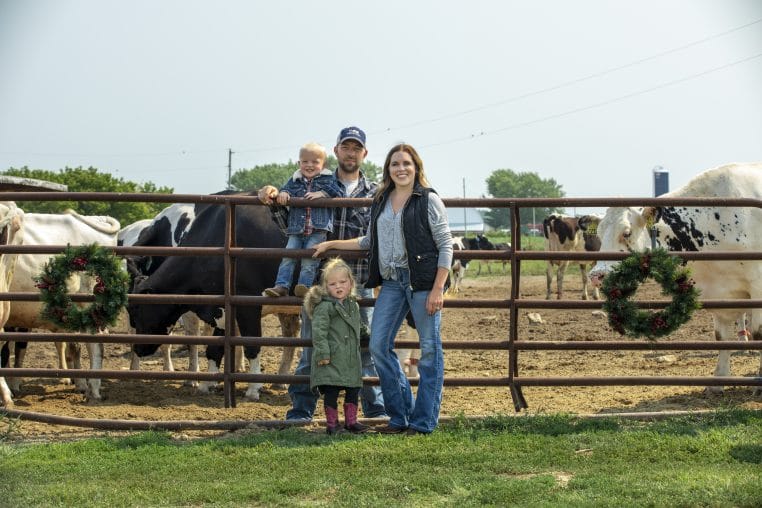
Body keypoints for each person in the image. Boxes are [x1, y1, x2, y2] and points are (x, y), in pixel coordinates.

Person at [312, 143, 453, 435]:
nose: (401, 169)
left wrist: (438, 289)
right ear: (388, 169)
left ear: (416, 167)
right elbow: (368, 241)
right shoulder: (382, 199)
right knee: (378, 345)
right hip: (391, 282)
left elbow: (445, 244)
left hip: (422, 283)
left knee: (429, 351)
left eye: (406, 163)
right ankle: (400, 416)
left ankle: (423, 422)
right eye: (394, 164)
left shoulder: (428, 199)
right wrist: (331, 244)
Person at [258, 126, 387, 421]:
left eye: (356, 148)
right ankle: (301, 408)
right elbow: (289, 225)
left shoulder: (375, 193)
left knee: (363, 346)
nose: (351, 153)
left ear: (364, 154)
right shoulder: (310, 184)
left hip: (358, 281)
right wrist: (272, 197)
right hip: (319, 284)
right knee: (311, 346)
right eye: (346, 147)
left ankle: (374, 406)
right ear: (336, 152)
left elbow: (375, 236)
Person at [262, 142, 343, 298]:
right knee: (288, 257)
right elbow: (285, 189)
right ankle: (281, 286)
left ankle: (304, 286)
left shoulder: (328, 179)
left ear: (323, 164)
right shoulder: (295, 180)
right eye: (305, 161)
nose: (309, 165)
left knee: (309, 260)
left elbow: (339, 192)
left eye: (315, 162)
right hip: (296, 229)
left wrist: (322, 194)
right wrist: (284, 194)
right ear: (299, 163)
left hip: (317, 230)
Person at [305, 258, 370, 434]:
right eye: (333, 284)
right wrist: (323, 354)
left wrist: (367, 334)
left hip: (349, 357)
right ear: (326, 287)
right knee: (332, 390)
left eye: (343, 282)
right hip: (332, 357)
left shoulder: (353, 305)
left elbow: (357, 325)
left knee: (353, 389)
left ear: (351, 283)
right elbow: (319, 332)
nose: (338, 286)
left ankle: (351, 421)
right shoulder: (324, 307)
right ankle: (332, 424)